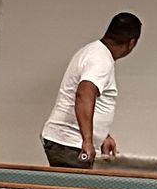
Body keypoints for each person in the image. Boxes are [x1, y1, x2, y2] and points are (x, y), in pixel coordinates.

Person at [42, 13, 142, 169]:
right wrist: (87, 141)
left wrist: (102, 136)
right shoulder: (100, 60)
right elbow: (84, 94)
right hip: (70, 143)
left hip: (67, 142)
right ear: (132, 43)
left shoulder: (94, 52)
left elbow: (93, 100)